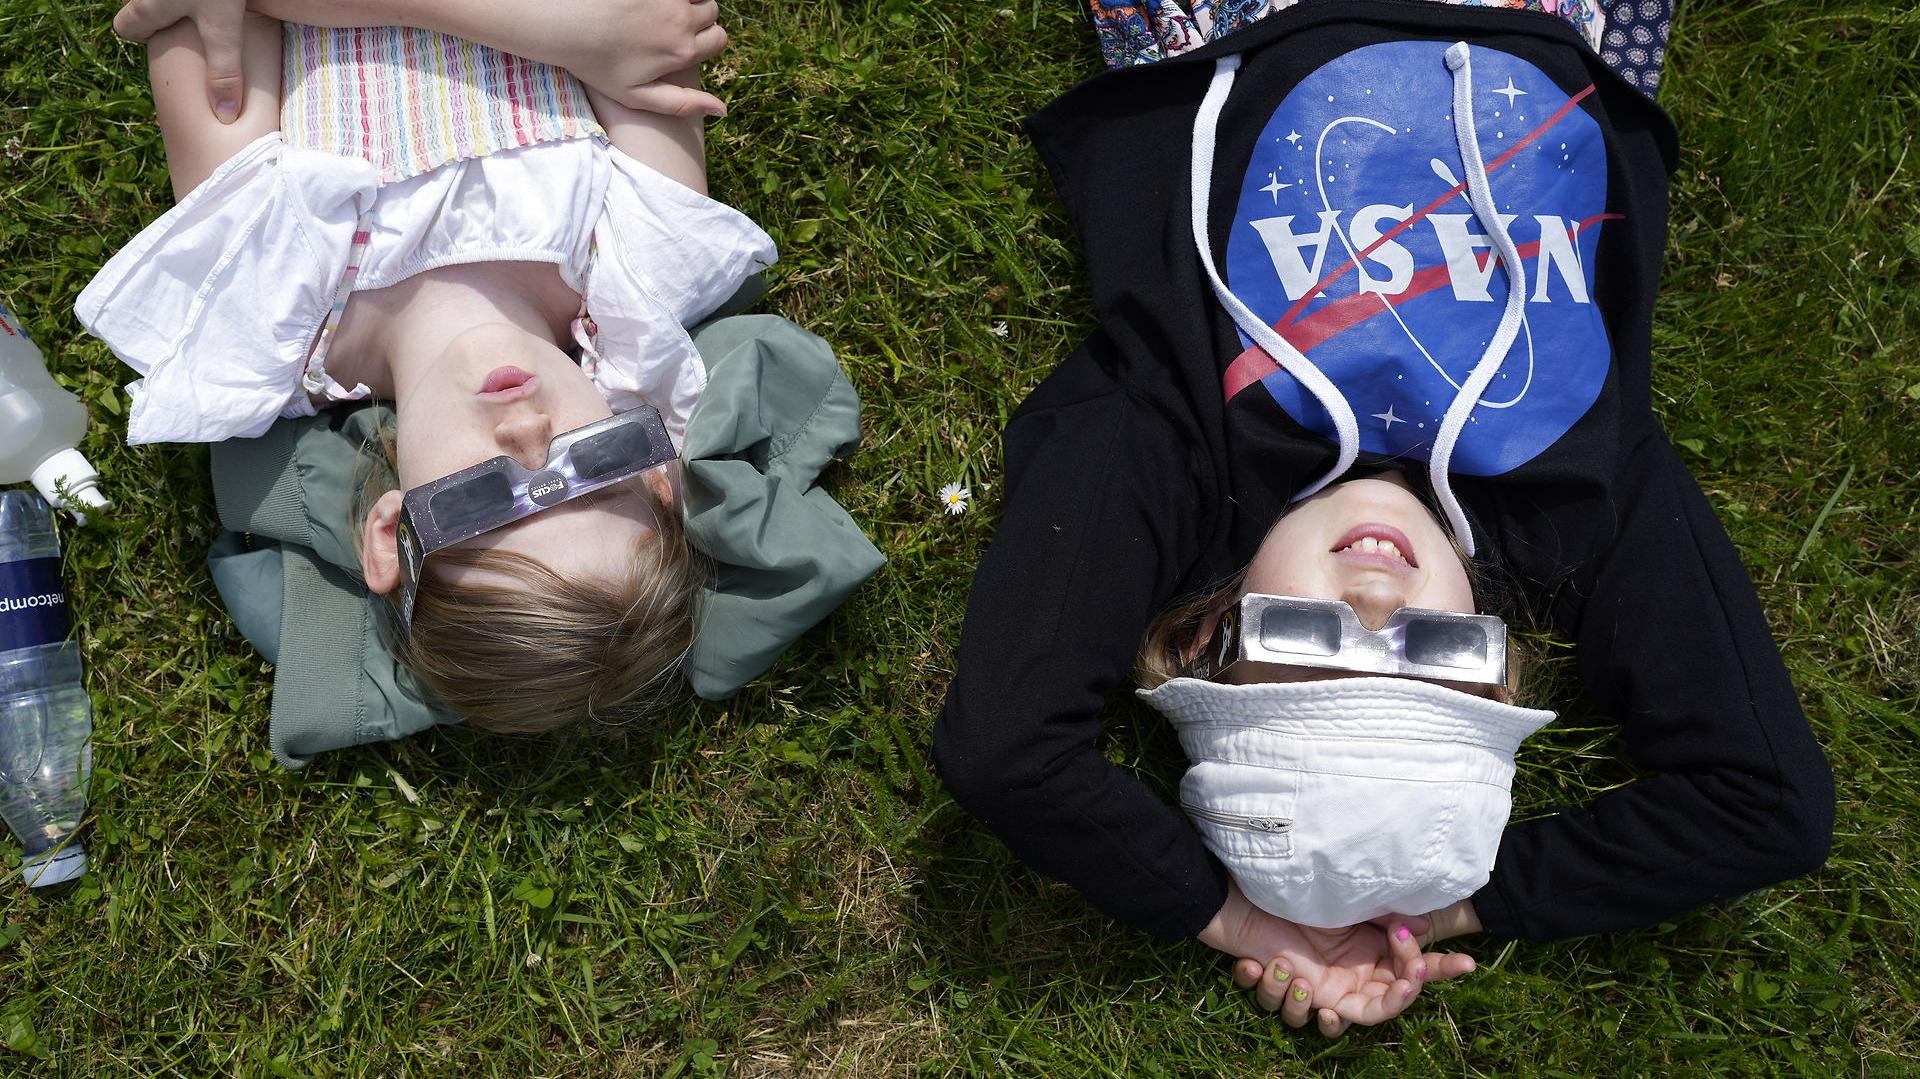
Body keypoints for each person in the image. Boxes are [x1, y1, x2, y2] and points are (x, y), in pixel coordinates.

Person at [936, 0, 1835, 1038]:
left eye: (1308, 637)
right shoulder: (1571, 506)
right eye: (1434, 652)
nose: (1376, 594)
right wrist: (1448, 912)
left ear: (1205, 635)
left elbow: (1009, 752)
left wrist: (1233, 918)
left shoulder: (1180, 454)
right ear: (1497, 674)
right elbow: (1767, 802)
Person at [76, 0, 830, 732]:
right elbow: (654, 21)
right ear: (659, 470)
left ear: (391, 528)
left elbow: (209, 16)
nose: (528, 435)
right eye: (595, 471)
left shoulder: (260, 313)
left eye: (484, 499)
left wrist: (569, 29)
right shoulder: (642, 255)